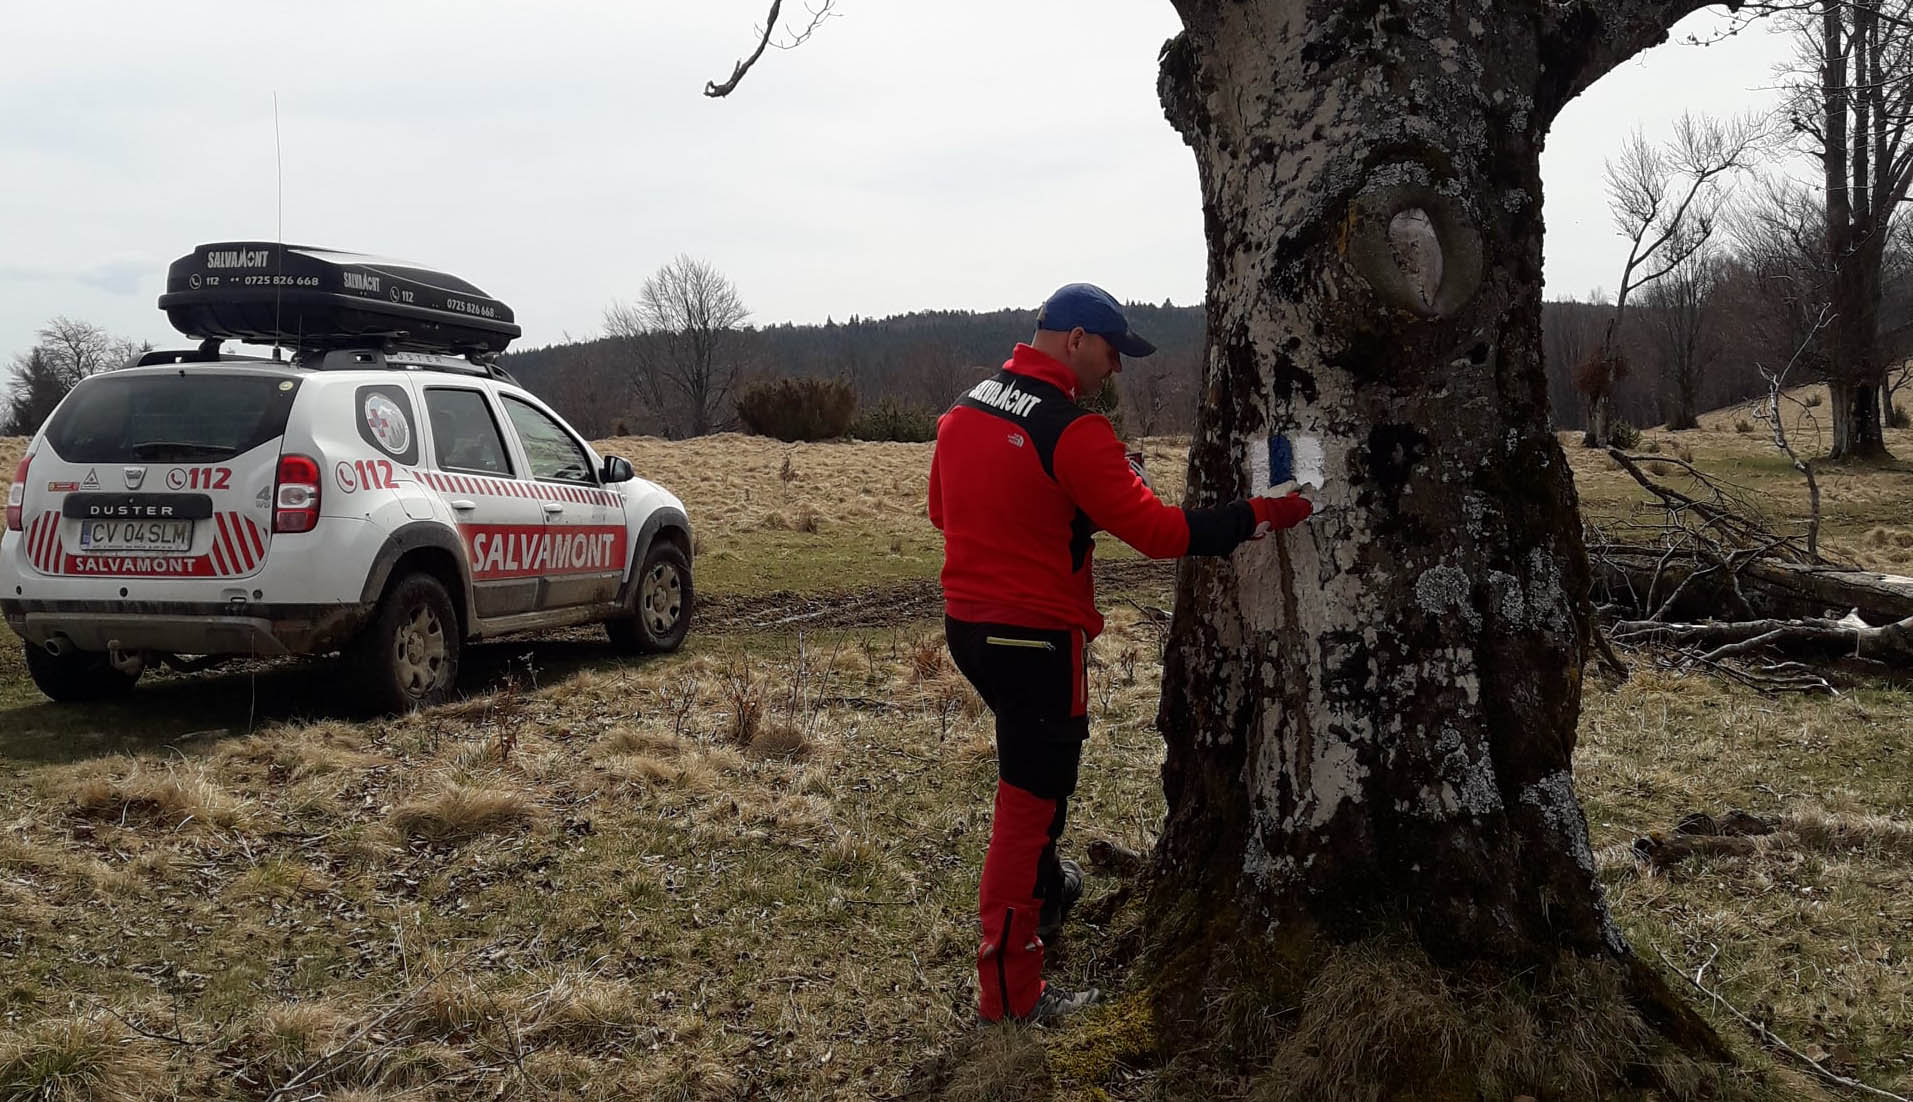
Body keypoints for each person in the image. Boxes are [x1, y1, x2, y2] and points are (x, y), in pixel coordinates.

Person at [927, 283, 1315, 1025]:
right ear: (1074, 339)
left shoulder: (964, 410)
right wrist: (1265, 513)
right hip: (1038, 640)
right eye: (1111, 354)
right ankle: (1009, 996)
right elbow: (1163, 535)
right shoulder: (1074, 432)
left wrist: (1069, 502)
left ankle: (1045, 897)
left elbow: (943, 511)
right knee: (1027, 804)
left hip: (969, 629)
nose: (1114, 371)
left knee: (1034, 785)